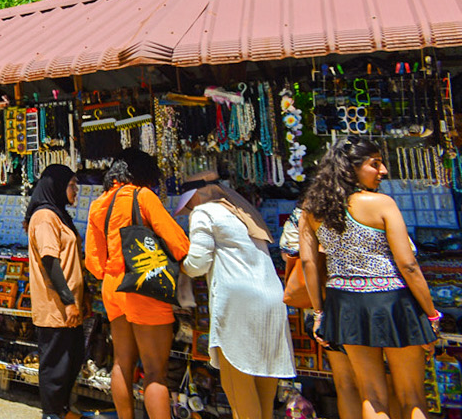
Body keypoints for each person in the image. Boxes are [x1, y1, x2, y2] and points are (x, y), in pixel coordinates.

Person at [301, 137, 440, 419]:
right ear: (351, 168)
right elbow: (408, 265)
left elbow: (308, 262)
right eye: (374, 164)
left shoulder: (312, 209)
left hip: (345, 304)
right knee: (411, 395)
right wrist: (431, 314)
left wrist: (318, 312)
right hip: (392, 302)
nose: (384, 171)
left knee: (372, 395)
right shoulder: (381, 204)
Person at [85, 150, 191, 419]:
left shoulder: (98, 204)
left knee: (122, 362)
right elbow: (179, 244)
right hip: (143, 283)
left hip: (112, 286)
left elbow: (94, 264)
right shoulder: (142, 196)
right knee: (156, 371)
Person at [178, 182, 295, 419]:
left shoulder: (204, 211)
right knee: (264, 391)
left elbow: (198, 263)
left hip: (239, 304)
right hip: (271, 299)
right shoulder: (241, 210)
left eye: (188, 203)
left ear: (196, 196)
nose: (189, 209)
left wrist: (180, 265)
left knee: (238, 387)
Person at [283, 205, 364, 419]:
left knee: (345, 383)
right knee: (378, 384)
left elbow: (292, 255)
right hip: (368, 301)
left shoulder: (303, 214)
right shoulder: (366, 206)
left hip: (328, 304)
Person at [26, 164, 86, 419]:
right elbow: (51, 262)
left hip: (69, 306)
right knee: (56, 367)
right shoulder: (45, 218)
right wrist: (69, 301)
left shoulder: (58, 215)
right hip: (56, 307)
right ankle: (51, 414)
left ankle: (61, 410)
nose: (76, 190)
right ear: (57, 186)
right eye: (72, 185)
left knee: (71, 361)